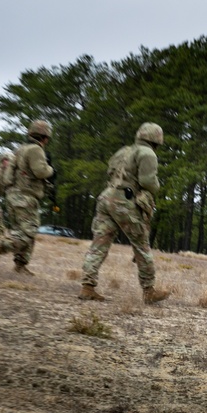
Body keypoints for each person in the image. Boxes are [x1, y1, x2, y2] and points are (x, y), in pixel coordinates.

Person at [78, 122, 170, 304]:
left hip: (106, 197)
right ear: (157, 140)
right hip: (123, 201)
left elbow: (110, 170)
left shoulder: (124, 151)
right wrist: (156, 187)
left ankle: (87, 287)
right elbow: (148, 181)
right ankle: (149, 290)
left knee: (100, 243)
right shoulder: (147, 153)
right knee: (141, 244)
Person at [0, 121, 54, 275]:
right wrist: (51, 169)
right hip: (25, 196)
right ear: (45, 136)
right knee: (28, 232)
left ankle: (20, 265)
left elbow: (8, 176)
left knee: (21, 230)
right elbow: (41, 172)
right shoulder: (36, 149)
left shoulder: (19, 149)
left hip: (12, 195)